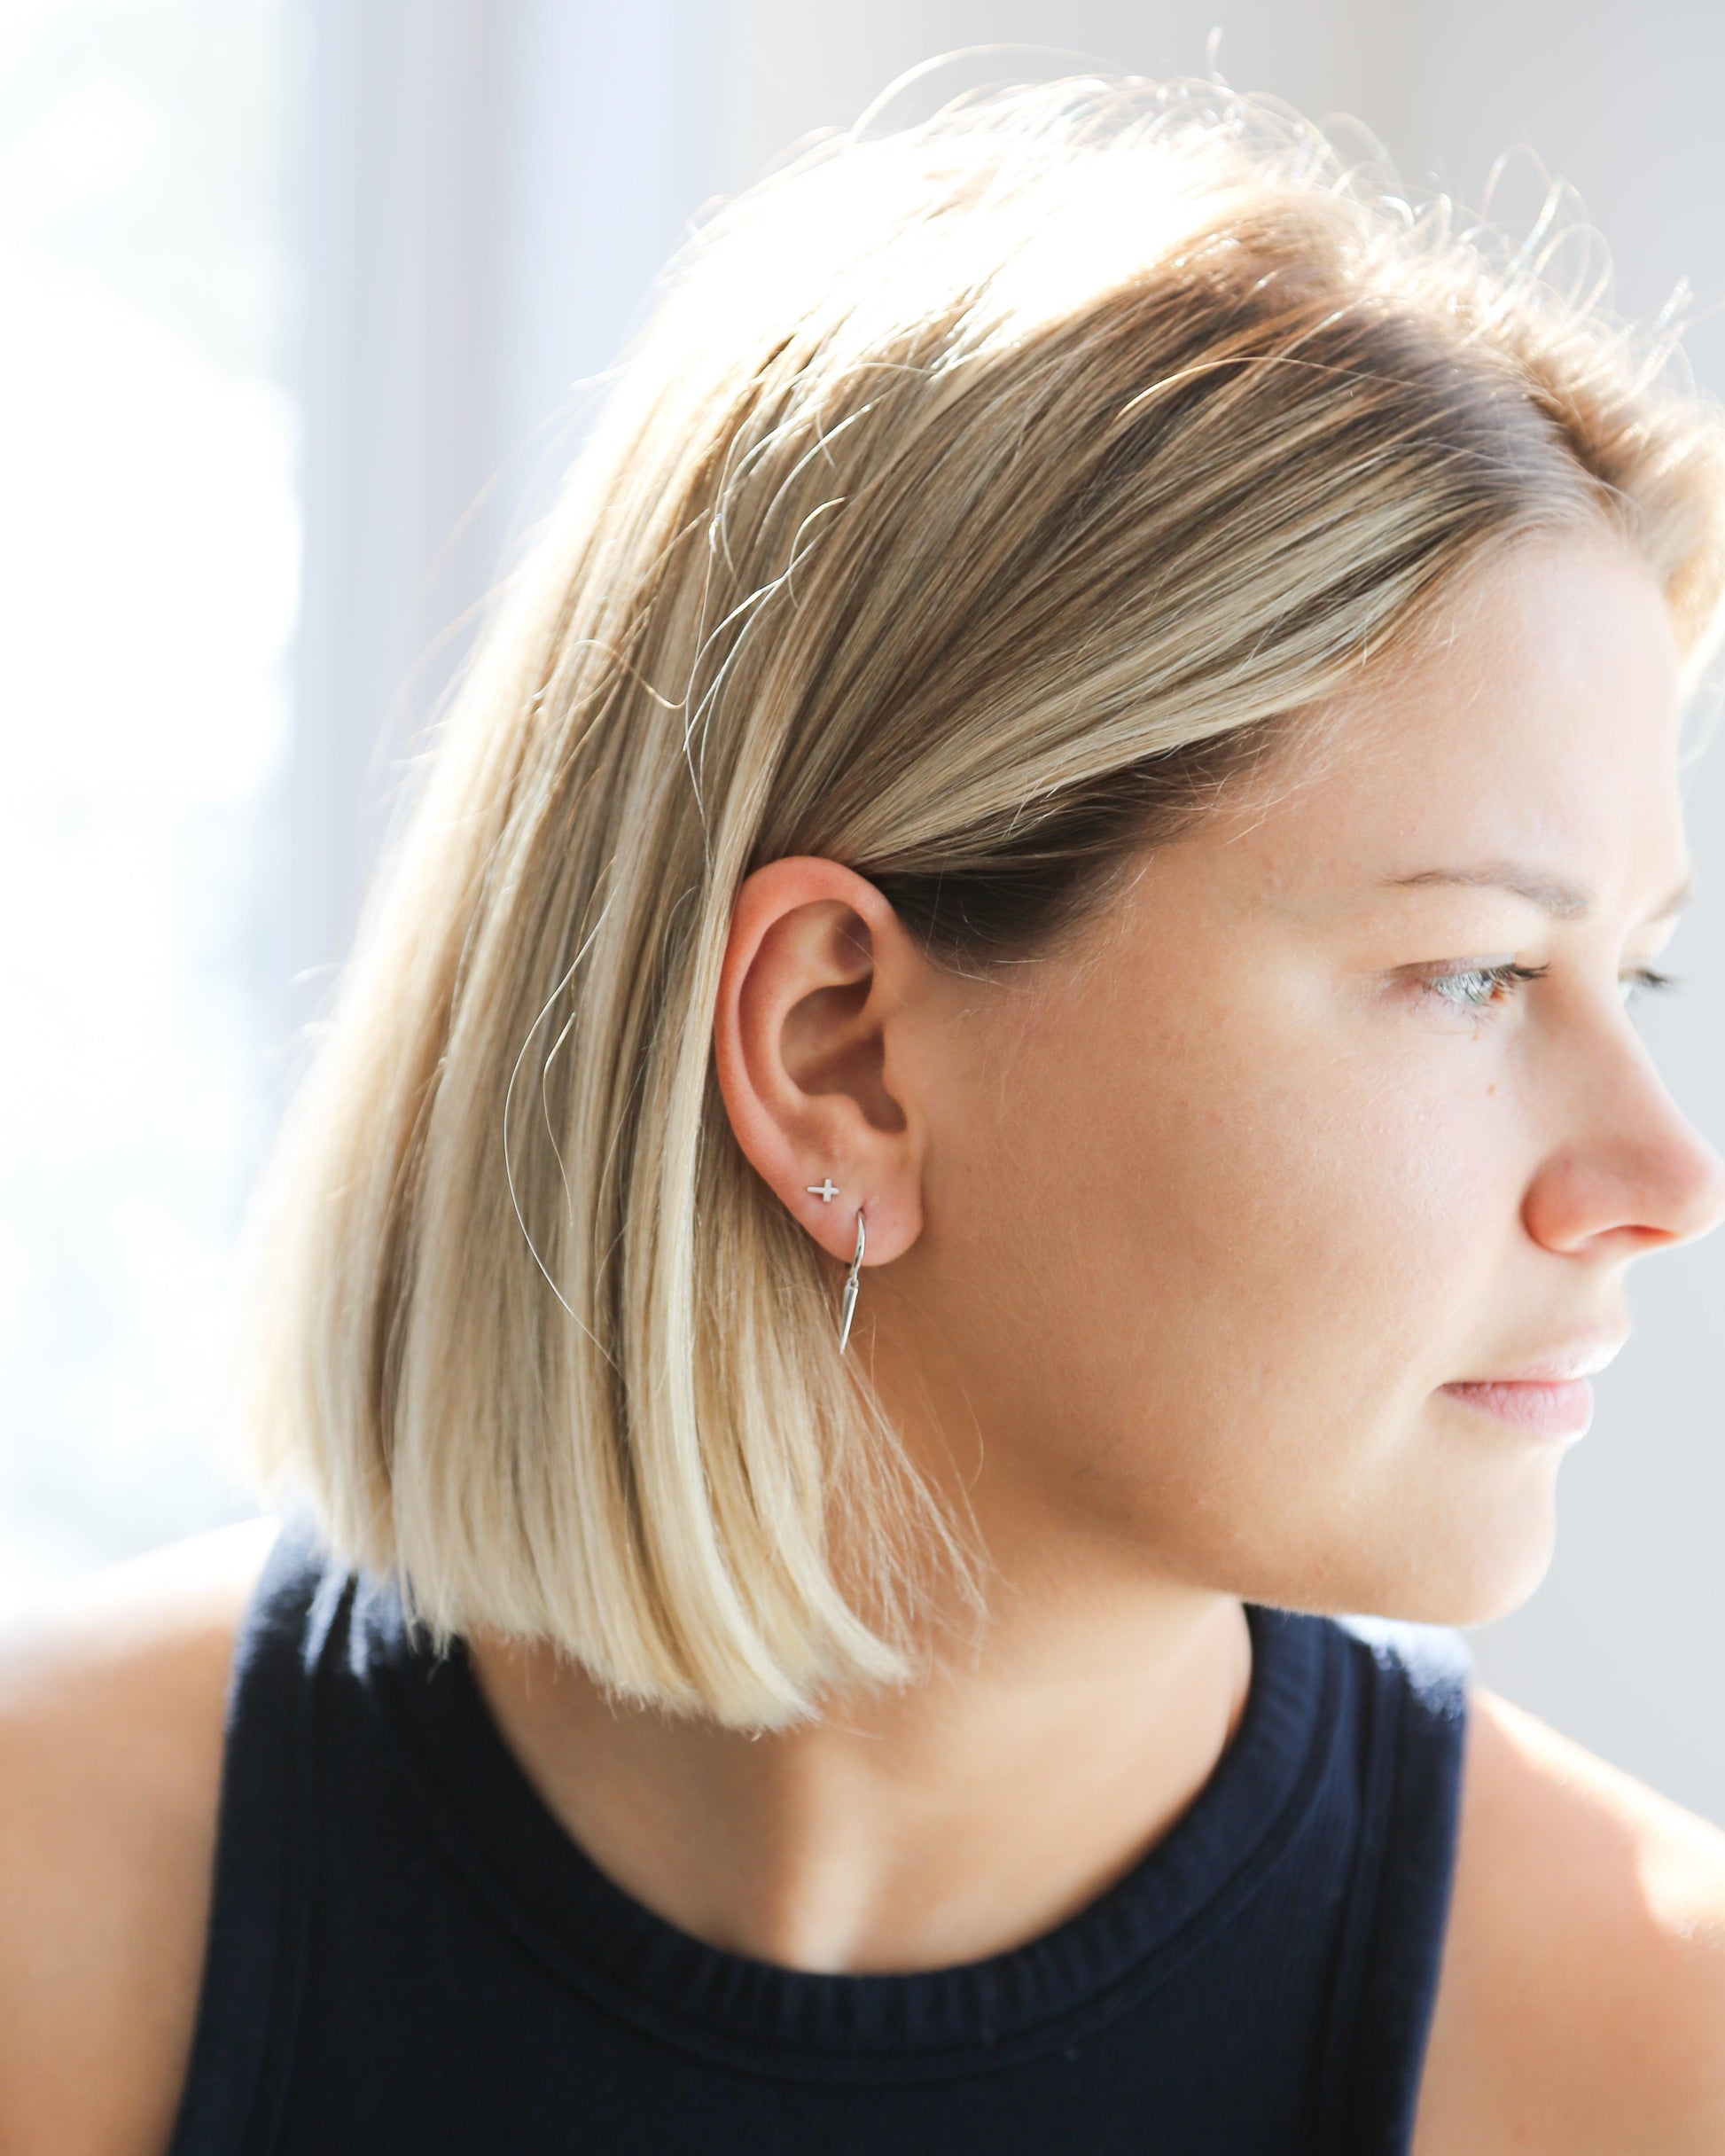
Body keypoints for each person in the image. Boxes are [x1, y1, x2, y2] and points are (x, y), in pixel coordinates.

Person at [5, 74, 1725, 2156]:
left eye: (1623, 972)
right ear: (840, 1047)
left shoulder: (1648, 2060)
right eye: (1469, 973)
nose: (1662, 1179)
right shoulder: (53, 1916)